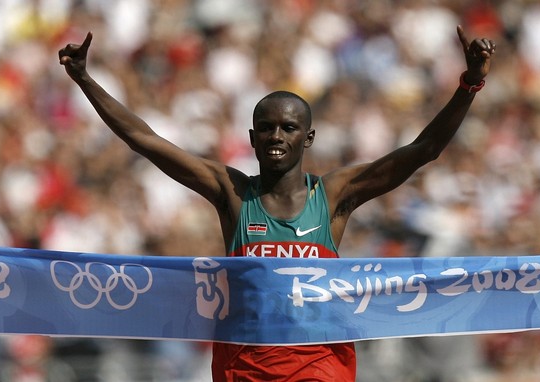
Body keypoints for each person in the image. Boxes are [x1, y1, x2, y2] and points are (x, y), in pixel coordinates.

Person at [59, 25, 495, 382]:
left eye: (288, 128)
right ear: (251, 138)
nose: (276, 136)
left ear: (307, 138)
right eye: (265, 128)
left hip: (320, 370)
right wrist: (84, 78)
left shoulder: (335, 195)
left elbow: (423, 150)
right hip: (245, 371)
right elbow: (145, 140)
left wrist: (470, 83)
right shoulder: (232, 192)